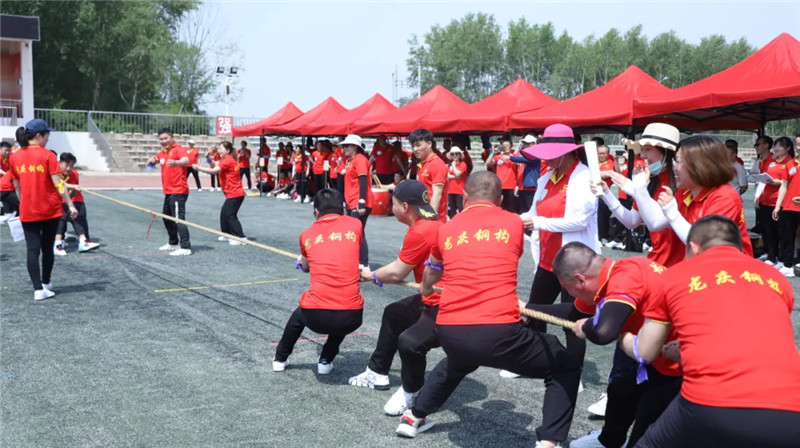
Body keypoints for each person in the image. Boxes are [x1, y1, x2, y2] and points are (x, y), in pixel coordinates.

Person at [397, 172, 582, 448]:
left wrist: (425, 289)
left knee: (460, 357)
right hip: (499, 331)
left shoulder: (446, 228)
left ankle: (413, 416)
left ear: (465, 198)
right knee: (565, 364)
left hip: (450, 331)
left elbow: (431, 273)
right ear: (500, 200)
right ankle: (549, 442)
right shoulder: (514, 222)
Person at [621, 215, 800, 447]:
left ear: (693, 247)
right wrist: (687, 353)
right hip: (792, 408)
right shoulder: (776, 278)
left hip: (712, 403)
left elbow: (645, 351)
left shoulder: (673, 276)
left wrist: (622, 335)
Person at [550, 243, 681, 448]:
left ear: (580, 280)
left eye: (566, 288)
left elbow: (604, 333)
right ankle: (610, 441)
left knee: (646, 422)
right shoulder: (612, 275)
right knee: (621, 390)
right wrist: (524, 307)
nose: (570, 294)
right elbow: (574, 314)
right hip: (662, 361)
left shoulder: (625, 277)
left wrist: (587, 327)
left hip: (686, 367)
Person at [349, 180, 442, 417]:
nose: (391, 206)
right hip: (431, 295)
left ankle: (413, 391)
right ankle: (377, 372)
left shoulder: (420, 232)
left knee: (409, 342)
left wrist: (371, 275)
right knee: (394, 313)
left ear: (404, 207)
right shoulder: (432, 224)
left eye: (394, 202)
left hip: (444, 303)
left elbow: (397, 273)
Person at [273, 188, 364, 375]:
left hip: (314, 316)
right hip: (351, 317)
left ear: (316, 212)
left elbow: (306, 267)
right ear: (343, 209)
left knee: (298, 316)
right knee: (344, 303)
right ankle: (325, 359)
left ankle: (280, 358)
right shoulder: (356, 225)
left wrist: (301, 261)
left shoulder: (306, 235)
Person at [520, 124, 599, 332]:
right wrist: (509, 219)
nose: (546, 159)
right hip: (547, 260)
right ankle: (535, 353)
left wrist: (538, 223)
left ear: (567, 153)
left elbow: (580, 220)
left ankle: (572, 357)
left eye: (552, 154)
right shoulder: (545, 178)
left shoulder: (585, 177)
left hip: (575, 264)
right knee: (534, 314)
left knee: (574, 322)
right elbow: (532, 212)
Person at [630, 135, 754, 262]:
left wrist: (672, 213)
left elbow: (703, 245)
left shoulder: (724, 197)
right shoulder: (685, 191)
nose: (675, 168)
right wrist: (640, 189)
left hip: (727, 270)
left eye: (679, 161)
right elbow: (655, 224)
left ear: (699, 165)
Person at [9, 120, 79, 301]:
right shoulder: (48, 155)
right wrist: (70, 204)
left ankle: (38, 289)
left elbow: (17, 186)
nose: (48, 138)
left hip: (28, 210)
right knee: (47, 248)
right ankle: (46, 283)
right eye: (47, 135)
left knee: (32, 250)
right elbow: (59, 184)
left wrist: (24, 202)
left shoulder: (15, 156)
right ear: (39, 135)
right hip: (49, 210)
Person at [598, 124, 684, 268]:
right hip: (657, 260)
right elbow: (632, 221)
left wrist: (636, 190)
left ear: (666, 152)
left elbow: (655, 224)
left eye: (647, 149)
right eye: (642, 149)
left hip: (678, 262)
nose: (643, 155)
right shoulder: (650, 181)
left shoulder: (680, 184)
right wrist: (606, 194)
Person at [146, 127, 192, 256]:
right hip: (168, 191)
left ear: (172, 138)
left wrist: (177, 162)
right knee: (166, 217)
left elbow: (186, 160)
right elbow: (154, 160)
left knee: (178, 218)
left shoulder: (178, 149)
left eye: (166, 138)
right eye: (161, 139)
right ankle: (173, 243)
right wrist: (150, 161)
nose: (164, 141)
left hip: (179, 190)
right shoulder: (163, 152)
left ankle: (185, 247)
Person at [193, 141, 247, 246]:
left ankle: (241, 237)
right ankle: (227, 234)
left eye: (221, 149)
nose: (219, 151)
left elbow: (214, 171)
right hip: (233, 193)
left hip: (235, 193)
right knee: (224, 214)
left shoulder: (228, 160)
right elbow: (215, 165)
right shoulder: (226, 159)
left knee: (230, 215)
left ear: (228, 150)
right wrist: (209, 160)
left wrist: (199, 168)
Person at [53, 152, 100, 255]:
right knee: (61, 217)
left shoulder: (74, 174)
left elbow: (71, 195)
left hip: (71, 200)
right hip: (56, 202)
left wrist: (71, 199)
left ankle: (83, 241)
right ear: (60, 163)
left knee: (77, 214)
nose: (68, 168)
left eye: (71, 166)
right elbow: (58, 184)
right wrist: (72, 186)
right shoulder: (55, 173)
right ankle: (58, 243)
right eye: (66, 165)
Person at [341, 134, 373, 268]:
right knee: (354, 231)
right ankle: (357, 260)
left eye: (347, 146)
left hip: (358, 201)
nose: (344, 148)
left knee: (358, 232)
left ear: (355, 146)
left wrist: (361, 201)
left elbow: (363, 180)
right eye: (344, 146)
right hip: (352, 201)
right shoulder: (350, 160)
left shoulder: (360, 160)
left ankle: (363, 263)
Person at [772, 137, 800, 275]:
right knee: (787, 237)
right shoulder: (790, 163)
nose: (799, 147)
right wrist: (778, 206)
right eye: (798, 144)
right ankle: (787, 265)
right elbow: (784, 185)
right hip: (789, 207)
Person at [409, 129, 448, 223]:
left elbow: (437, 194)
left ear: (429, 144)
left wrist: (429, 220)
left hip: (434, 220)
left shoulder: (436, 164)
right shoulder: (423, 164)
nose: (415, 149)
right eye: (413, 146)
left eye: (418, 145)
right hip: (421, 215)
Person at [507, 134, 540, 215]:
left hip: (532, 187)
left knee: (530, 210)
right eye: (524, 144)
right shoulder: (526, 155)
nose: (525, 146)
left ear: (534, 143)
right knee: (522, 211)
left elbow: (525, 159)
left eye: (528, 144)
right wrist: (518, 185)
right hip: (524, 187)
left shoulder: (535, 154)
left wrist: (510, 157)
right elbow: (521, 170)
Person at [486, 136, 519, 213]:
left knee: (511, 208)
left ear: (511, 147)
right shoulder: (498, 157)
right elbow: (488, 164)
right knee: (501, 208)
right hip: (500, 186)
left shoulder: (515, 156)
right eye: (504, 146)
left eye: (507, 146)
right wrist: (492, 153)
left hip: (512, 186)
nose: (506, 148)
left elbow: (519, 164)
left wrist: (510, 157)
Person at [749, 135, 774, 235]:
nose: (756, 147)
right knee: (761, 223)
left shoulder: (774, 159)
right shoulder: (758, 161)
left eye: (758, 144)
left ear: (766, 145)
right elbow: (750, 177)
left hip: (772, 198)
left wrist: (757, 177)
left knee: (771, 228)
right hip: (759, 196)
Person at [595, 144, 617, 243]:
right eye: (599, 153)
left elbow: (608, 174)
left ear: (608, 154)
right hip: (592, 193)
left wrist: (594, 174)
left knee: (602, 215)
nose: (601, 155)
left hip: (604, 194)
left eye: (603, 153)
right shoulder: (593, 162)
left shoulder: (610, 163)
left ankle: (603, 236)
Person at [445, 146, 467, 219]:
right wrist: (455, 176)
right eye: (452, 154)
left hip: (460, 191)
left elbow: (458, 174)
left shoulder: (463, 164)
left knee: (461, 209)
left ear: (460, 155)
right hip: (450, 190)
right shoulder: (449, 165)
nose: (454, 155)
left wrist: (454, 166)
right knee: (451, 210)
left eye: (456, 153)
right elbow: (446, 176)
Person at [0, 141, 19, 224]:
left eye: (9, 150)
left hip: (6, 183)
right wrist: (7, 174)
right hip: (4, 185)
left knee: (8, 202)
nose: (7, 152)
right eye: (6, 150)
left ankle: (7, 214)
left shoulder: (10, 157)